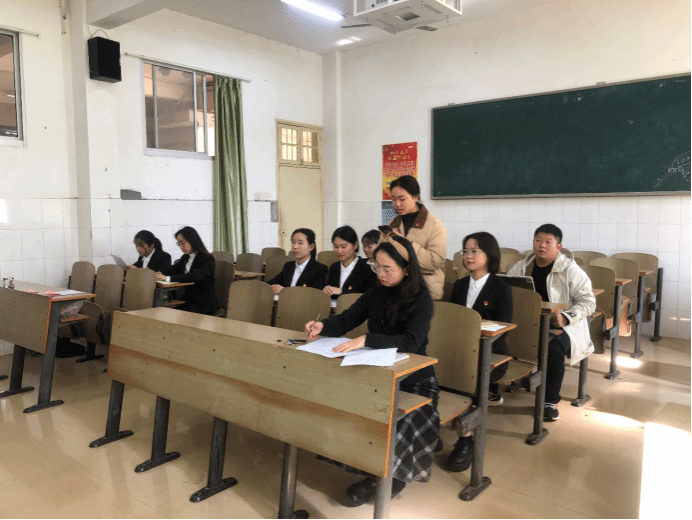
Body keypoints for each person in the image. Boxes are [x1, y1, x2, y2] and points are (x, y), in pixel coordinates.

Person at [305, 235, 439, 507]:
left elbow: (411, 342)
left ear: (406, 269)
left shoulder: (422, 300)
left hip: (413, 379)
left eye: (388, 269)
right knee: (350, 407)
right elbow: (347, 320)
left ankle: (391, 476)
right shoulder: (375, 294)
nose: (380, 274)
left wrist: (368, 339)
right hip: (377, 374)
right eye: (377, 267)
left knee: (396, 420)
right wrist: (323, 327)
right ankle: (367, 468)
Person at [507, 224, 596, 422]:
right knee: (496, 337)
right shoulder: (520, 267)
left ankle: (550, 400)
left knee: (553, 348)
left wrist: (566, 316)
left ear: (558, 247)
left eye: (548, 242)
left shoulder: (570, 270)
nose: (542, 245)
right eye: (538, 240)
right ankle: (494, 387)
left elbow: (589, 303)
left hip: (563, 326)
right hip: (527, 323)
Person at [445, 231, 512, 472]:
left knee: (466, 379)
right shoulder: (460, 285)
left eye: (475, 251)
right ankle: (431, 429)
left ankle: (466, 439)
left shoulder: (501, 288)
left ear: (489, 255)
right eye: (465, 251)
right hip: (460, 351)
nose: (468, 256)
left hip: (490, 355)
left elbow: (503, 329)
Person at [386, 175, 447, 300]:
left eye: (402, 199)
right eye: (393, 199)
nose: (397, 204)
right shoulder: (391, 225)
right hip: (396, 291)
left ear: (415, 197)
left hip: (425, 292)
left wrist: (405, 244)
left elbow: (435, 261)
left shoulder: (434, 224)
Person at [156, 226, 218, 315]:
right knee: (163, 313)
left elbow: (194, 277)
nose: (181, 247)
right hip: (189, 301)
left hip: (204, 304)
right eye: (179, 243)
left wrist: (167, 278)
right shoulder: (185, 258)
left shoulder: (207, 259)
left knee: (169, 315)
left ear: (192, 240)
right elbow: (170, 270)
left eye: (183, 243)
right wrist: (157, 274)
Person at [323, 226, 378, 300]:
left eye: (343, 247)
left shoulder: (368, 267)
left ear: (355, 245)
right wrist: (327, 289)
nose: (339, 251)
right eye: (336, 246)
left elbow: (368, 295)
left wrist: (342, 291)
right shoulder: (334, 267)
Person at [267, 228, 328, 294]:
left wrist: (284, 290)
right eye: (293, 242)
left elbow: (314, 293)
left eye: (300, 243)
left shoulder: (320, 269)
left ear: (311, 247)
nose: (295, 246)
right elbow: (272, 283)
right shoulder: (288, 266)